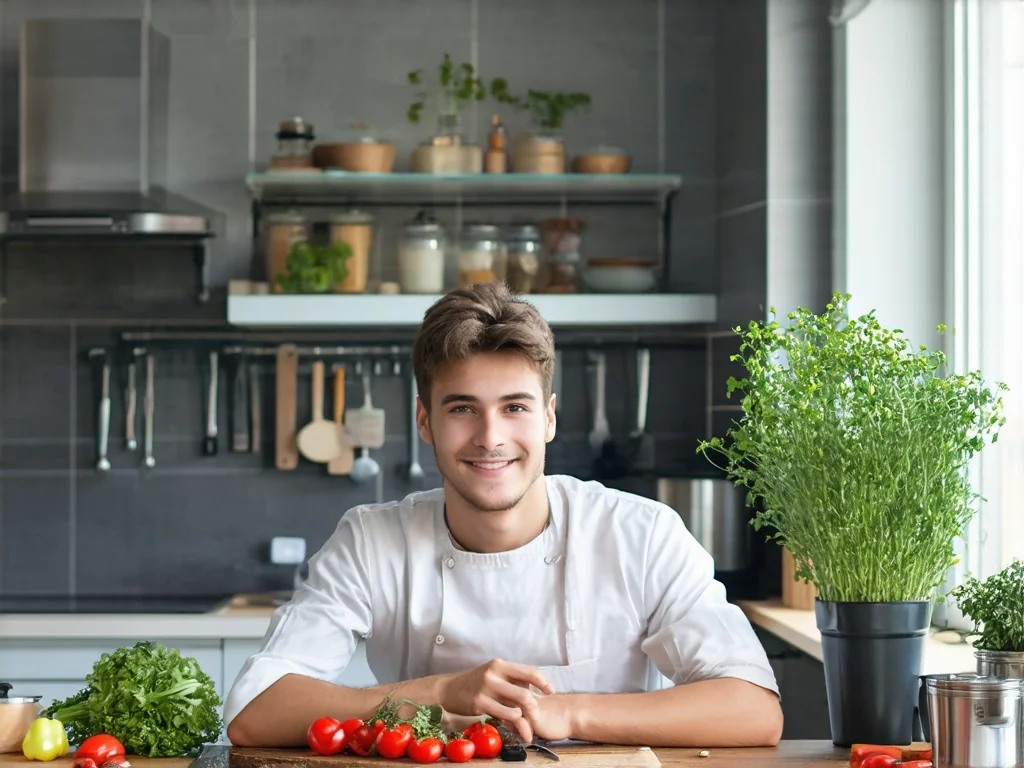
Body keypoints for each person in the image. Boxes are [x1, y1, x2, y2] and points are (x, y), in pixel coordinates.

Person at [224, 282, 782, 749]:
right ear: (425, 421)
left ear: (549, 419)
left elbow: (752, 709)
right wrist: (439, 694)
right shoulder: (373, 540)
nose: (490, 438)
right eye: (462, 408)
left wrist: (569, 715)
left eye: (515, 407)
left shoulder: (640, 533)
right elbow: (254, 710)